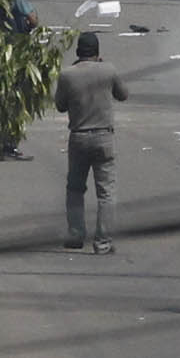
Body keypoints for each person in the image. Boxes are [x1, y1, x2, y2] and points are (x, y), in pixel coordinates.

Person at [57, 32, 127, 253]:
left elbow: (60, 105)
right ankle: (103, 242)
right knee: (106, 191)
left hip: (78, 138)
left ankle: (76, 234)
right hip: (103, 138)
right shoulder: (109, 70)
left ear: (78, 52)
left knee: (75, 188)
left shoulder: (67, 75)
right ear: (97, 52)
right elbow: (123, 94)